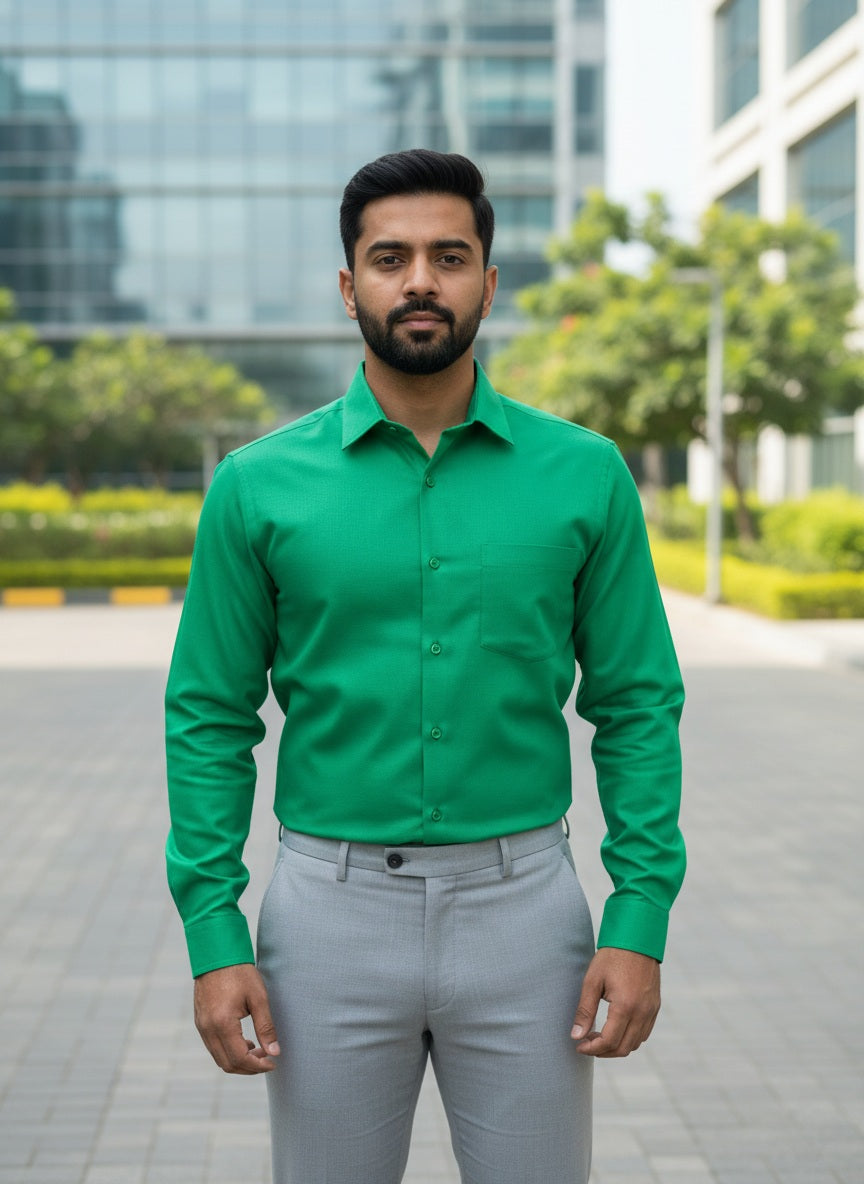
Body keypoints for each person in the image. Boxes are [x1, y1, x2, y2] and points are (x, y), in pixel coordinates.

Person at [165, 148, 685, 1184]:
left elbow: (637, 705)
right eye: (390, 256)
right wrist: (214, 930)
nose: (420, 281)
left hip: (527, 911)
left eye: (449, 256)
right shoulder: (257, 486)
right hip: (327, 915)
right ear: (348, 283)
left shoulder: (584, 473)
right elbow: (208, 715)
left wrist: (640, 916)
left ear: (490, 282)